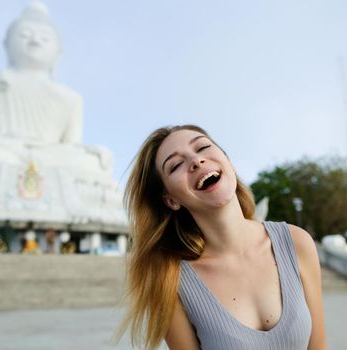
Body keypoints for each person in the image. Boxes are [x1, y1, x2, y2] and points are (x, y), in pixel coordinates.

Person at [118, 125, 326, 349]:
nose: (197, 161)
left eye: (203, 147)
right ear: (171, 200)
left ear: (228, 161)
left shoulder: (296, 243)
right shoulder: (171, 283)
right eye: (176, 165)